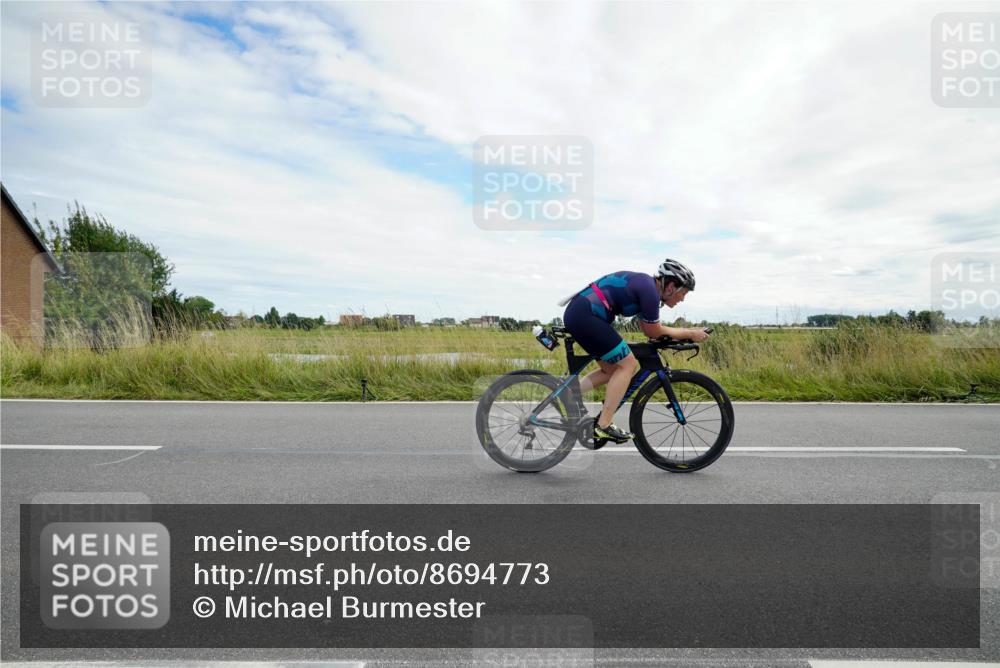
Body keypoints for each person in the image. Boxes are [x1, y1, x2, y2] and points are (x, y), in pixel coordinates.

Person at [559, 259, 709, 444]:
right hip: (586, 315)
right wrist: (689, 333)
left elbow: (650, 331)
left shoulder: (647, 289)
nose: (682, 299)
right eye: (683, 293)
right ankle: (603, 425)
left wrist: (685, 335)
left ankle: (569, 393)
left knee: (613, 370)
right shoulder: (649, 291)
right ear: (671, 286)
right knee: (628, 364)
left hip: (583, 314)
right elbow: (653, 331)